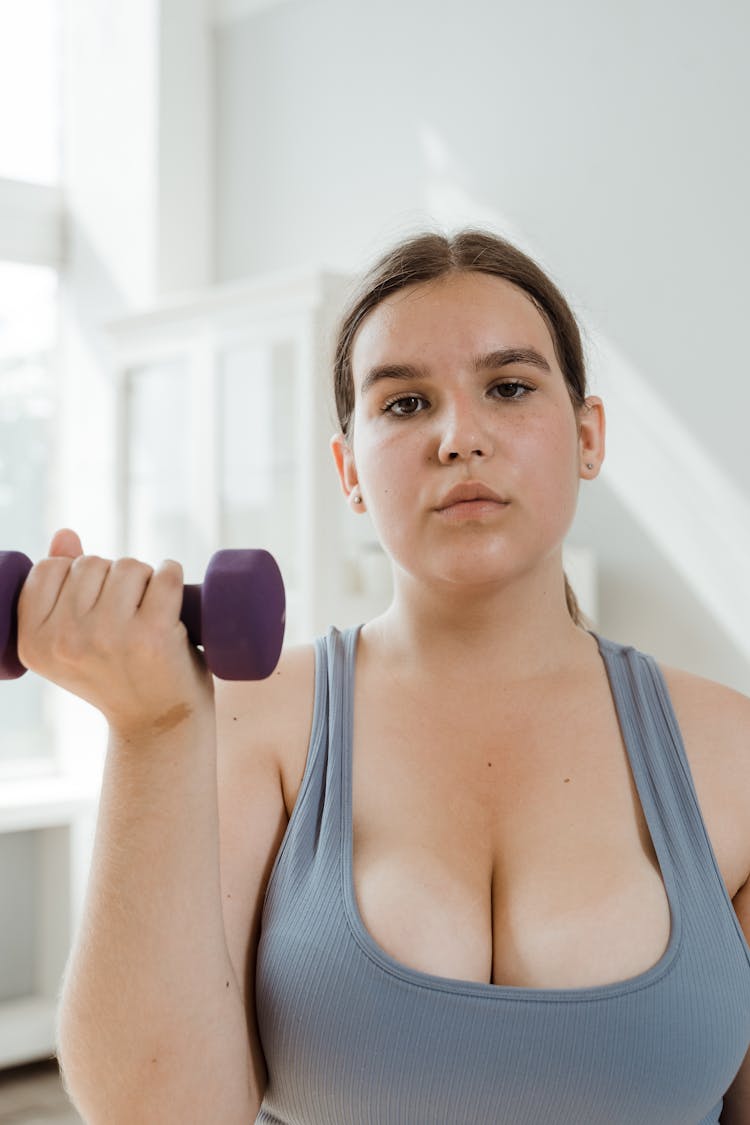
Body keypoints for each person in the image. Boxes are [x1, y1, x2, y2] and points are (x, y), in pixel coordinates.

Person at [21, 229, 750, 1124]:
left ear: (588, 436)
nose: (459, 437)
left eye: (510, 388)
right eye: (404, 405)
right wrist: (153, 731)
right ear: (349, 472)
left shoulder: (732, 749)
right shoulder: (258, 723)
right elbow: (158, 1110)